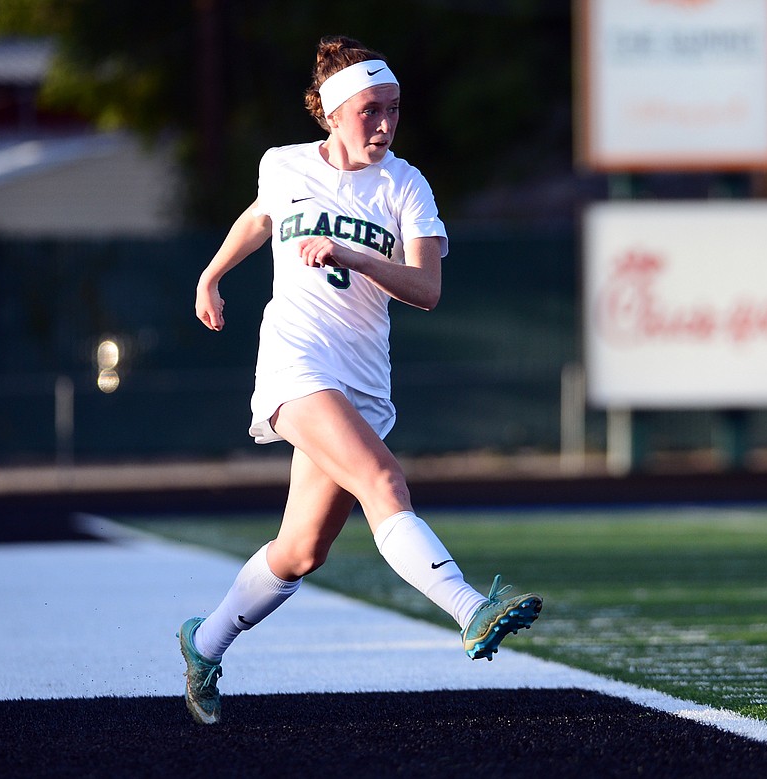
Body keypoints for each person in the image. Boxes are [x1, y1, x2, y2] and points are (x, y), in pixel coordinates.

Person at [179, 35, 542, 726]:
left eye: (394, 109)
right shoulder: (285, 166)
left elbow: (428, 288)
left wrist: (356, 256)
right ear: (333, 114)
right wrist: (212, 272)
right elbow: (259, 216)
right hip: (295, 365)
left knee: (300, 552)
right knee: (384, 483)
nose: (384, 124)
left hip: (363, 385)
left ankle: (204, 643)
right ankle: (471, 608)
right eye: (370, 110)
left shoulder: (407, 185)